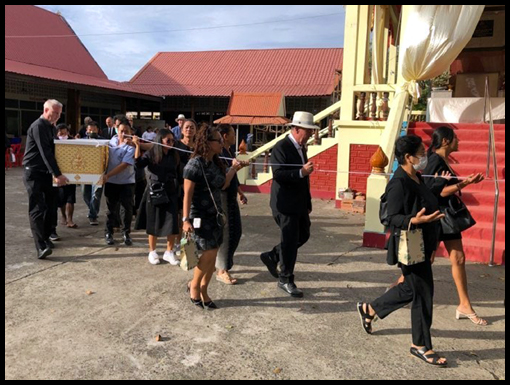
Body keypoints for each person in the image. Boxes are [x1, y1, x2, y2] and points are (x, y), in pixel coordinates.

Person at [357, 135, 449, 367]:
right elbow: (389, 217)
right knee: (423, 293)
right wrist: (414, 220)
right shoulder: (398, 182)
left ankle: (370, 308)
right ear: (408, 157)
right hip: (410, 245)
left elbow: (423, 198)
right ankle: (421, 346)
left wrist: (439, 187)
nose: (424, 157)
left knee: (411, 288)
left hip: (423, 243)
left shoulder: (415, 176)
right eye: (421, 153)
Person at [424, 126, 487, 326]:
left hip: (446, 219)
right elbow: (439, 192)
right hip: (437, 217)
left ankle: (464, 304)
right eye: (455, 139)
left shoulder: (441, 160)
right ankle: (394, 291)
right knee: (424, 262)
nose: (458, 141)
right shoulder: (435, 161)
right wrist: (465, 183)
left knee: (458, 258)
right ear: (445, 141)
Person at [182, 125, 242, 310]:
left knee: (213, 254)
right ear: (207, 143)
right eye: (218, 140)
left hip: (215, 215)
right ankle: (194, 286)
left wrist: (234, 170)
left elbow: (223, 184)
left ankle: (204, 290)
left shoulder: (216, 162)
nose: (222, 142)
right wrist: (185, 220)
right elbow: (187, 194)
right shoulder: (194, 164)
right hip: (199, 215)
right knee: (208, 253)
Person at [260, 111, 317, 298]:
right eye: (308, 130)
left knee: (303, 234)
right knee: (290, 241)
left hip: (299, 202)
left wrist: (307, 201)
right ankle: (286, 278)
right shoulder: (281, 147)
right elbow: (278, 175)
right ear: (297, 128)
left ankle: (273, 255)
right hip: (284, 203)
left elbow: (304, 180)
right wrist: (300, 172)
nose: (310, 134)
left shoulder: (302, 147)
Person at [22, 99, 69, 259]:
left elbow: (56, 151)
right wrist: (57, 174)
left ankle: (46, 236)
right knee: (37, 208)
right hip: (34, 173)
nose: (56, 116)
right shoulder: (39, 126)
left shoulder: (52, 127)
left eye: (59, 114)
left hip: (46, 173)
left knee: (51, 205)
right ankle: (40, 247)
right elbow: (46, 152)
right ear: (45, 110)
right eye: (54, 112)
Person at [133, 130, 181, 266]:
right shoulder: (152, 153)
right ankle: (152, 251)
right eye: (168, 140)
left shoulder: (174, 154)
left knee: (172, 223)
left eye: (173, 140)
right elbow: (138, 164)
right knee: (153, 221)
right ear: (160, 141)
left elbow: (178, 173)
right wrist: (137, 146)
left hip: (171, 190)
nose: (171, 143)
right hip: (155, 190)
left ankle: (169, 251)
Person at [216, 124, 249, 285]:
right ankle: (222, 270)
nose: (235, 137)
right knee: (227, 233)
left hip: (231, 195)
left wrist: (240, 192)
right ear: (224, 136)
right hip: (223, 196)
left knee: (236, 231)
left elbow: (233, 176)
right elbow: (224, 178)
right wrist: (234, 168)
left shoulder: (229, 152)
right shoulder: (219, 153)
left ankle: (223, 266)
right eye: (232, 134)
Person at [101, 120, 136, 246]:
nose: (124, 134)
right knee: (111, 209)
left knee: (127, 210)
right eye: (121, 131)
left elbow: (124, 164)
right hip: (111, 182)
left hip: (126, 182)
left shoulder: (131, 146)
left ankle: (126, 233)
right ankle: (108, 232)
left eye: (127, 131)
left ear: (131, 131)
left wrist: (108, 175)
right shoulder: (110, 142)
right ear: (117, 130)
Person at [82, 121, 105, 225]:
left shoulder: (103, 142)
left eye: (94, 129)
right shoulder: (81, 141)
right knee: (85, 194)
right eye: (90, 129)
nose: (92, 131)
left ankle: (93, 215)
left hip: (98, 172)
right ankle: (92, 209)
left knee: (96, 194)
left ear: (98, 130)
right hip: (84, 172)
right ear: (86, 130)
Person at [55, 124, 78, 229]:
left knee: (70, 198)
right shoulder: (53, 141)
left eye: (64, 133)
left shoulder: (73, 142)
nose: (62, 135)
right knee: (61, 198)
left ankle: (70, 219)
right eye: (60, 133)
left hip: (71, 173)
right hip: (58, 173)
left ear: (68, 133)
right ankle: (63, 216)